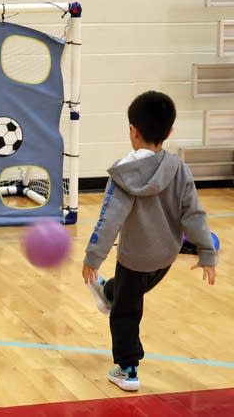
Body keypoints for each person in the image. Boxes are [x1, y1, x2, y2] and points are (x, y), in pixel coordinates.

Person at [82, 90, 218, 392]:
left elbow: (109, 220)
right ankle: (108, 293)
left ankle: (128, 369)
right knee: (131, 293)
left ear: (132, 130)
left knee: (126, 313)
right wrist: (206, 252)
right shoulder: (179, 168)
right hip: (165, 259)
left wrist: (93, 256)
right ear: (169, 132)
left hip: (133, 260)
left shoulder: (123, 174)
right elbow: (193, 214)